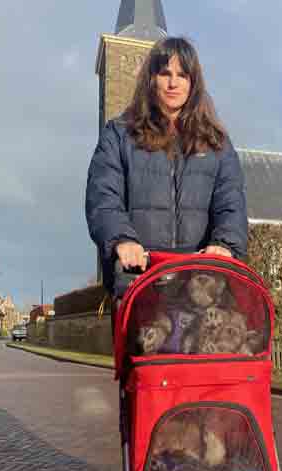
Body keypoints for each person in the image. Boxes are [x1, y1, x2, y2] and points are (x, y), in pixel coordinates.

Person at [86, 37, 248, 296]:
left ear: (193, 83)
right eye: (165, 73)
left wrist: (224, 244)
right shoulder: (119, 134)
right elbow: (103, 196)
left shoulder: (217, 143)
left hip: (200, 283)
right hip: (140, 277)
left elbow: (231, 203)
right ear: (152, 79)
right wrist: (122, 239)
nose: (173, 83)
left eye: (182, 75)